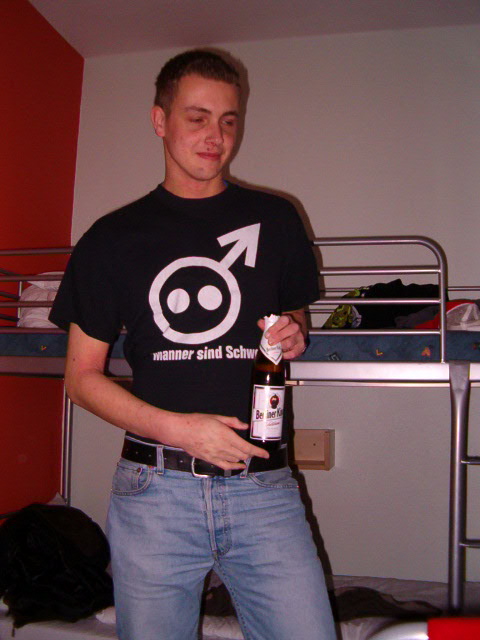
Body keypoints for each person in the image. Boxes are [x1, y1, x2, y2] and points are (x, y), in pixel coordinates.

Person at [50, 49, 336, 640]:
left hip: (264, 488)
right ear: (160, 120)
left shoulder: (276, 219)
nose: (215, 137)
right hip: (156, 493)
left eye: (229, 120)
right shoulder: (111, 238)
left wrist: (293, 331)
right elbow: (80, 379)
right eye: (197, 117)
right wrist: (180, 430)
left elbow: (293, 317)